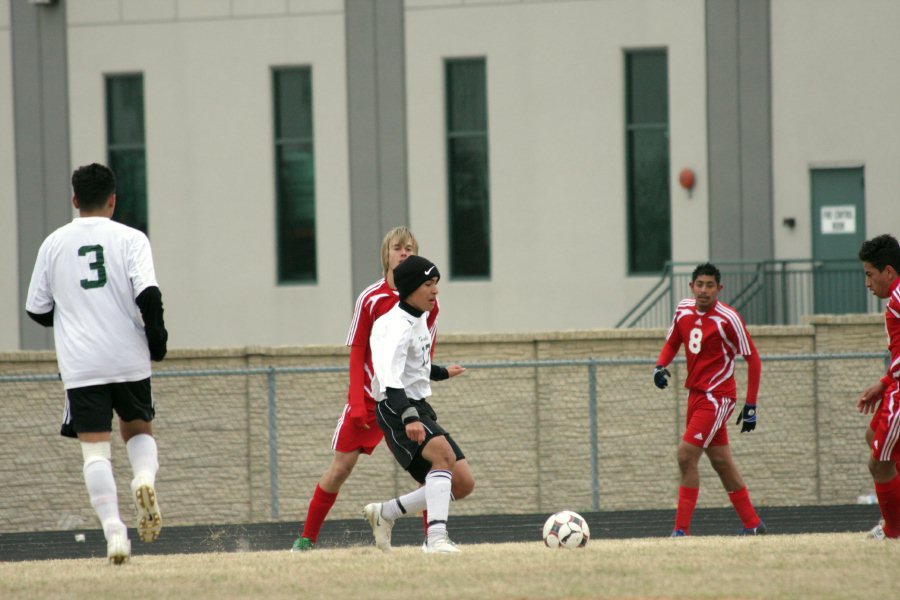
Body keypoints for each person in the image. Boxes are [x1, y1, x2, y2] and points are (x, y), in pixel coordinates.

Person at [25, 163, 168, 564]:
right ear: (113, 199)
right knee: (138, 428)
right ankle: (143, 478)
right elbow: (149, 296)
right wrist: (157, 341)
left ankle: (115, 532)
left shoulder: (53, 243)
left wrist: (73, 314)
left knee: (95, 452)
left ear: (74, 200)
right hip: (127, 356)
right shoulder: (131, 238)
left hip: (82, 362)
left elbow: (36, 309)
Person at [291, 227, 439, 551]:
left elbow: (423, 353)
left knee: (427, 471)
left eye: (410, 248)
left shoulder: (427, 301)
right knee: (340, 468)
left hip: (401, 402)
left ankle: (433, 539)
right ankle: (305, 540)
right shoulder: (371, 298)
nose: (404, 253)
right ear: (386, 254)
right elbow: (358, 349)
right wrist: (355, 402)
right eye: (398, 248)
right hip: (370, 400)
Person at [363, 255, 473, 554]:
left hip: (415, 404)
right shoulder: (393, 326)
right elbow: (390, 380)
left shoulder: (419, 317)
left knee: (462, 483)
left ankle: (386, 513)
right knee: (442, 456)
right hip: (394, 406)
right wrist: (409, 416)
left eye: (436, 283)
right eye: (428, 284)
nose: (435, 290)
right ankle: (436, 540)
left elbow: (414, 364)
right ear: (410, 288)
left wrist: (440, 372)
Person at [653, 262, 765, 536]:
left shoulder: (729, 318)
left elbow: (753, 359)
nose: (704, 290)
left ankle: (680, 531)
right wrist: (660, 366)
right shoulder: (683, 309)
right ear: (691, 286)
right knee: (721, 461)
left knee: (685, 455)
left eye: (710, 285)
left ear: (719, 288)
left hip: (718, 397)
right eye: (699, 284)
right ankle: (753, 525)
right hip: (696, 395)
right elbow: (673, 341)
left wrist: (750, 406)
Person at [856, 234, 900, 540]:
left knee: (879, 464)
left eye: (870, 275)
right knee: (873, 435)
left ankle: (893, 530)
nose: (868, 283)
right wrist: (883, 384)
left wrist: (886, 384)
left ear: (888, 271)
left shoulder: (896, 302)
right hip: (893, 387)